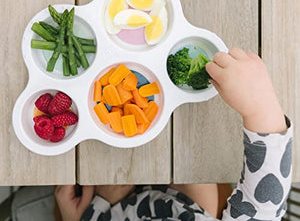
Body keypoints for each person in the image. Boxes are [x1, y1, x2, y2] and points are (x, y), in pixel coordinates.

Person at [55, 48, 293, 221]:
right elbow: (264, 206)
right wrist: (260, 105)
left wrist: (88, 214)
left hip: (113, 212)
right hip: (188, 206)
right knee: (193, 155)